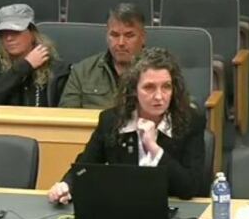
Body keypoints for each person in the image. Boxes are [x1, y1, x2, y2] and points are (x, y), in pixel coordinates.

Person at [48, 47, 206, 203]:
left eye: (166, 87)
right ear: (133, 90)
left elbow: (190, 187)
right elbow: (84, 167)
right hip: (122, 209)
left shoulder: (190, 122)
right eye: (149, 87)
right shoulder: (111, 121)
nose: (159, 96)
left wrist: (154, 148)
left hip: (172, 213)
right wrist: (66, 185)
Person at [0, 4, 70, 107]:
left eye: (15, 32)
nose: (8, 38)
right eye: (3, 33)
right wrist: (25, 66)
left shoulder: (55, 66)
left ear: (32, 33)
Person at [59, 3, 147, 109]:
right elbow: (67, 118)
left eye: (129, 35)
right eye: (114, 35)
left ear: (143, 37)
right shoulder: (82, 72)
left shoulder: (160, 73)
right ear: (106, 36)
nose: (121, 43)